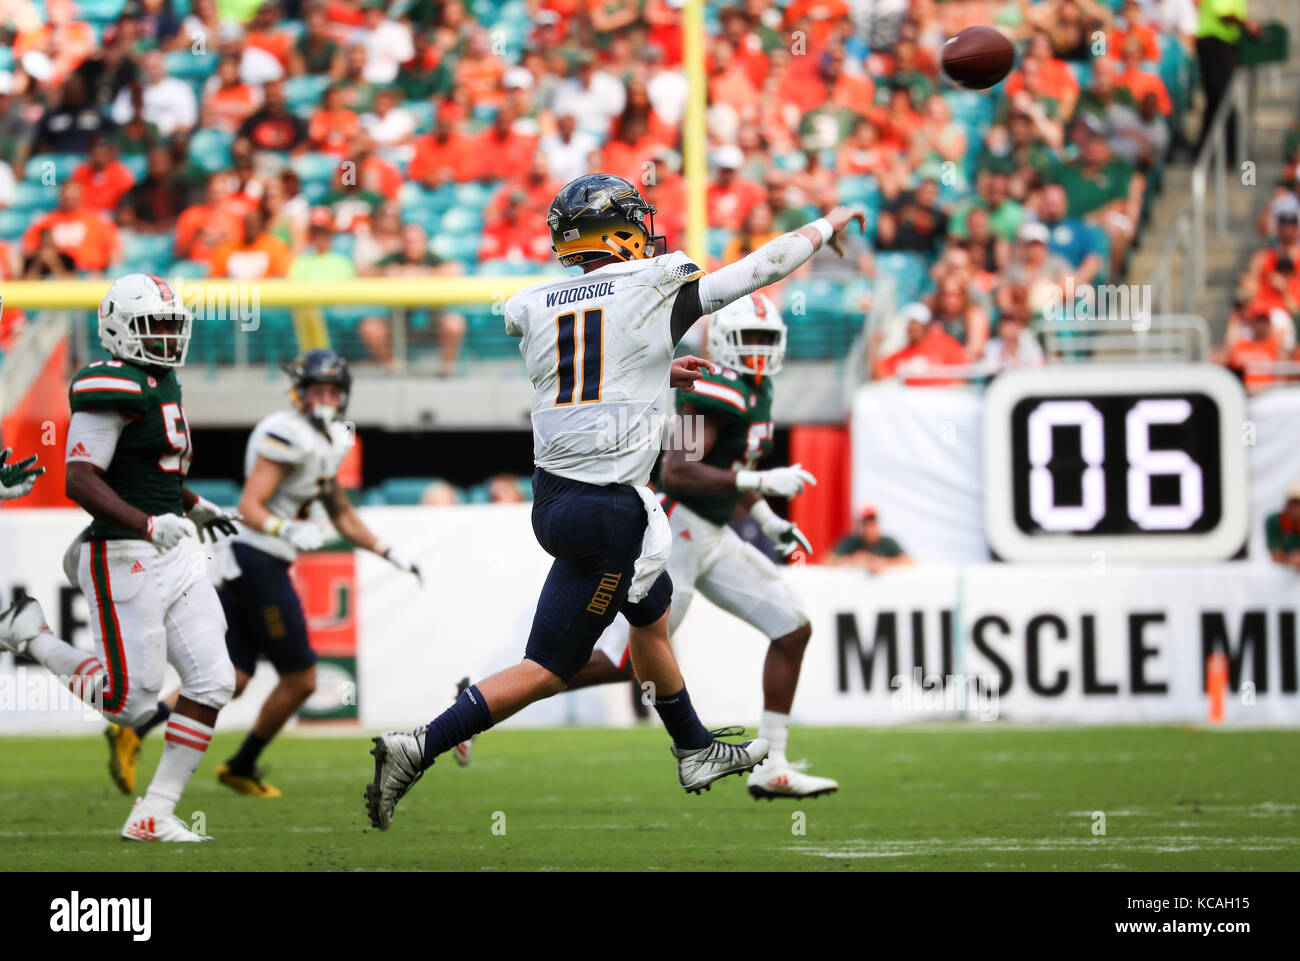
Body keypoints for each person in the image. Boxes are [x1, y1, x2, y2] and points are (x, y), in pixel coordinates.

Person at [363, 174, 865, 830]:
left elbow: (598, 364)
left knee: (650, 615)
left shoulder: (534, 302)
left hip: (556, 499)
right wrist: (826, 225)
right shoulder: (653, 283)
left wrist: (659, 369)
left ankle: (694, 748)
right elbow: (759, 268)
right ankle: (417, 746)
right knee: (550, 666)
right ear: (622, 230)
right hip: (610, 509)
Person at [106, 351, 422, 798]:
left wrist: (387, 550)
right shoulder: (284, 432)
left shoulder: (329, 438)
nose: (326, 399)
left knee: (231, 677)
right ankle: (242, 763)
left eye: (333, 391)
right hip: (257, 558)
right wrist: (284, 526)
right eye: (318, 390)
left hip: (255, 560)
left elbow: (341, 511)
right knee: (303, 680)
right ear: (300, 393)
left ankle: (139, 729)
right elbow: (252, 506)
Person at [0, 274, 240, 841]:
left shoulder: (163, 381)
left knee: (213, 680)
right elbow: (80, 479)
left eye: (170, 325)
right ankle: (28, 633)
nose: (164, 336)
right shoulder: (110, 386)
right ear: (117, 329)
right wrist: (145, 522)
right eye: (152, 325)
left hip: (170, 549)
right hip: (123, 550)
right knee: (128, 705)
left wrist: (193, 504)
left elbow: (152, 469)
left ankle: (154, 813)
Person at [567, 294, 836, 800]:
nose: (757, 351)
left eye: (766, 340)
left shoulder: (759, 390)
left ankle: (772, 765)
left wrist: (763, 517)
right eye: (748, 339)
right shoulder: (711, 387)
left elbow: (735, 466)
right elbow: (680, 470)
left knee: (793, 628)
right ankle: (495, 694)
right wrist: (762, 481)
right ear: (724, 341)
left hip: (713, 533)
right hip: (680, 532)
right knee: (621, 663)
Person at [826, 505, 913, 572]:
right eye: (866, 524)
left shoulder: (888, 543)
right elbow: (826, 561)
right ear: (861, 525)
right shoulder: (851, 542)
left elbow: (910, 562)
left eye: (872, 524)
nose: (870, 529)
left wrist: (883, 563)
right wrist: (850, 560)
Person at [1266, 482, 1300, 568]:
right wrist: (1289, 558)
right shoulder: (1275, 521)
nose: (1296, 508)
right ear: (1287, 505)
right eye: (1293, 503)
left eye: (1298, 504)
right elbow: (1276, 555)